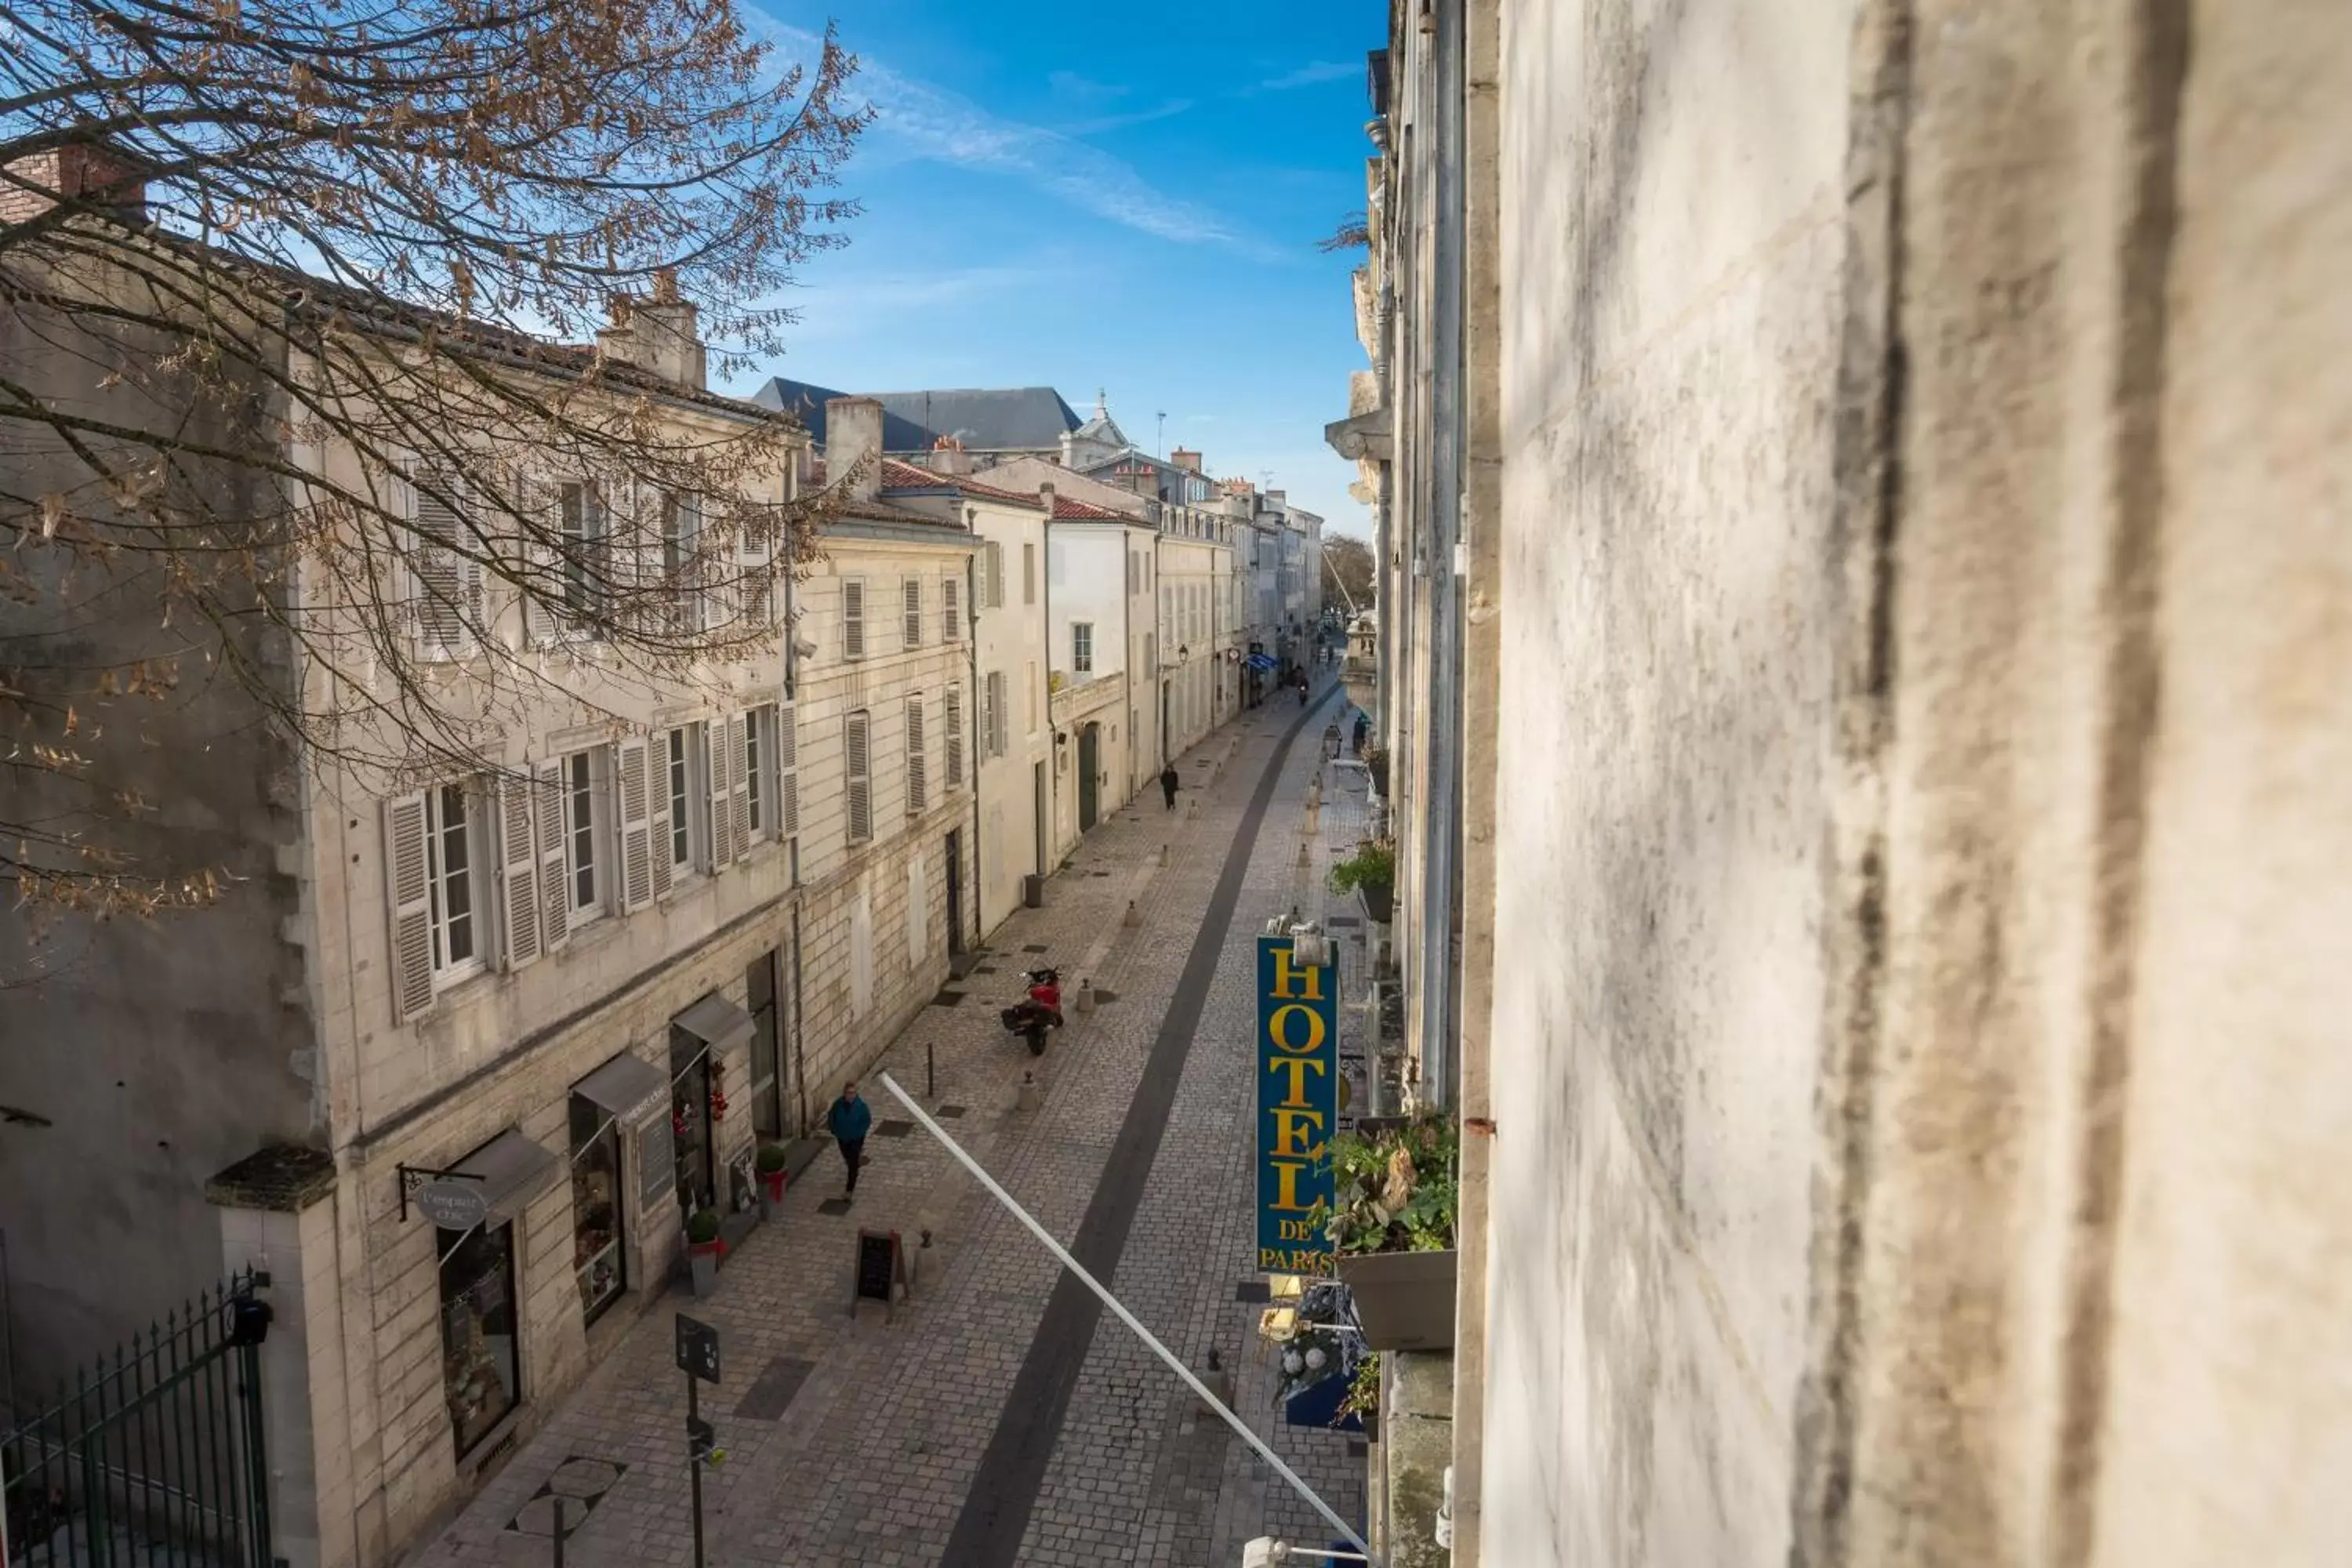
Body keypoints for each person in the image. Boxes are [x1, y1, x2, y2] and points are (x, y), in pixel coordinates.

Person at [827, 1080, 871, 1197]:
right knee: (846, 1156)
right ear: (844, 1094)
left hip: (856, 1139)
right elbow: (831, 1117)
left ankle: (849, 1190)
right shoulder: (838, 1105)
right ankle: (853, 1162)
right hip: (842, 1137)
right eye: (848, 1093)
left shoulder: (861, 1106)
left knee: (853, 1164)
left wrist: (859, 1133)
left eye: (853, 1093)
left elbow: (866, 1121)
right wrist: (834, 1130)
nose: (851, 1095)